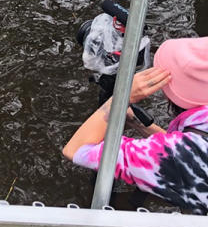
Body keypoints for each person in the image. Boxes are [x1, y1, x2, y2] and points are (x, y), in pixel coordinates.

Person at [63, 39, 208, 216]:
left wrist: (122, 97)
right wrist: (138, 125)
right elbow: (189, 151)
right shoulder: (191, 148)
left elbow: (77, 150)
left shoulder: (186, 152)